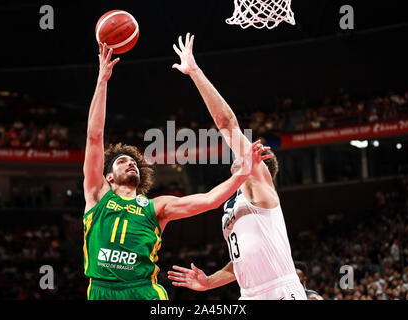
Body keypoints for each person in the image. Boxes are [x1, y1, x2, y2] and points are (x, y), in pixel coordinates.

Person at [82, 42, 273, 300]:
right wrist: (102, 81)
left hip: (144, 292)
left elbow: (209, 201)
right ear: (108, 177)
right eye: (122, 161)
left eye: (134, 162)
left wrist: (241, 173)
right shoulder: (96, 196)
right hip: (100, 290)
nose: (131, 163)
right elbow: (94, 137)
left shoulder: (157, 208)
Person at [167, 33, 306, 300]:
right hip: (249, 293)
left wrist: (195, 72)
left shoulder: (259, 187)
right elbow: (240, 262)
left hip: (279, 290)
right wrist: (208, 282)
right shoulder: (233, 205)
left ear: (260, 164)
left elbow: (227, 125)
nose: (237, 153)